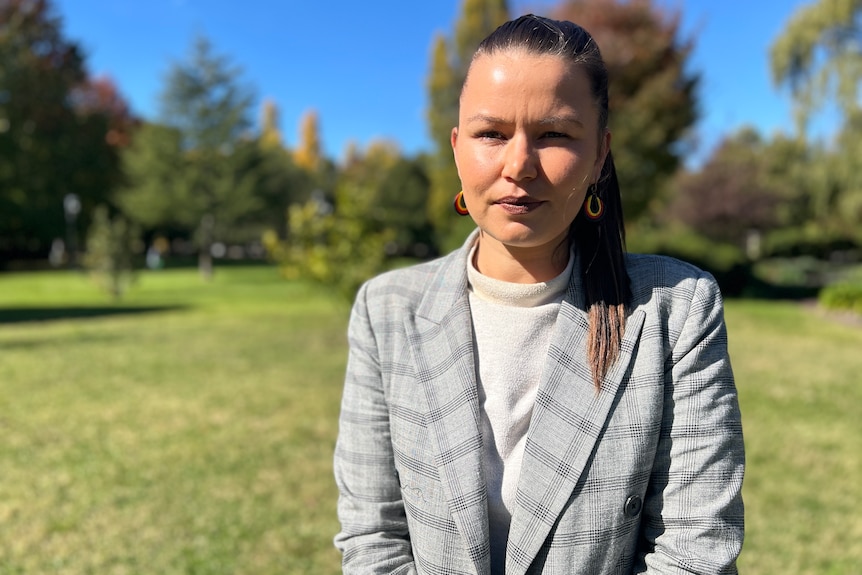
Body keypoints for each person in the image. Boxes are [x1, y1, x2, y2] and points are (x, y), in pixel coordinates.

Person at [334, 14, 744, 575]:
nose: (519, 165)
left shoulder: (675, 308)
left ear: (600, 154)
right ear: (457, 149)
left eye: (554, 134)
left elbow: (696, 548)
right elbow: (372, 536)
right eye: (491, 134)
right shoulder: (388, 311)